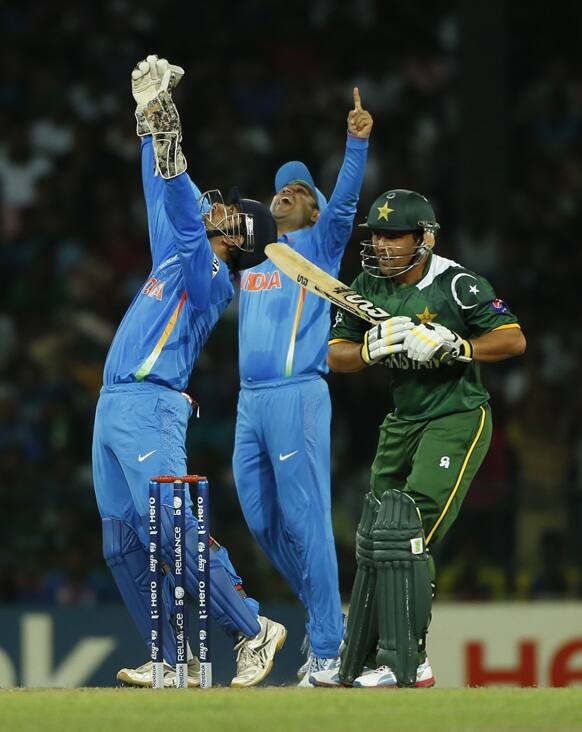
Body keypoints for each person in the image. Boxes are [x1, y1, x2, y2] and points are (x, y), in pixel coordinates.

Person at [92, 56, 285, 689]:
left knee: (175, 528)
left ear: (239, 239)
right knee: (121, 543)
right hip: (115, 404)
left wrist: (165, 127)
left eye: (227, 212)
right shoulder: (177, 253)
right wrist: (150, 127)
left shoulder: (210, 277)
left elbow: (179, 194)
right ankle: (173, 660)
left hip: (150, 407)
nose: (216, 208)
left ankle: (253, 629)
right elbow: (162, 189)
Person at [310, 188, 526, 688]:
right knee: (372, 540)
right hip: (402, 421)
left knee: (405, 535)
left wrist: (458, 345)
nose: (381, 244)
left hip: (456, 417)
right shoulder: (367, 283)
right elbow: (333, 354)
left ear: (423, 238)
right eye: (376, 235)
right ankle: (361, 657)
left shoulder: (457, 285)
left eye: (392, 235)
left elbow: (513, 337)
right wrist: (368, 348)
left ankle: (408, 658)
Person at [232, 88, 373, 685]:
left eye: (300, 191)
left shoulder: (319, 244)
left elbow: (343, 205)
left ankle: (329, 650)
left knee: (307, 519)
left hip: (298, 393)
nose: (286, 192)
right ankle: (325, 619)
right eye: (280, 188)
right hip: (249, 402)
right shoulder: (251, 256)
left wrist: (356, 144)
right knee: (263, 521)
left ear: (313, 212)